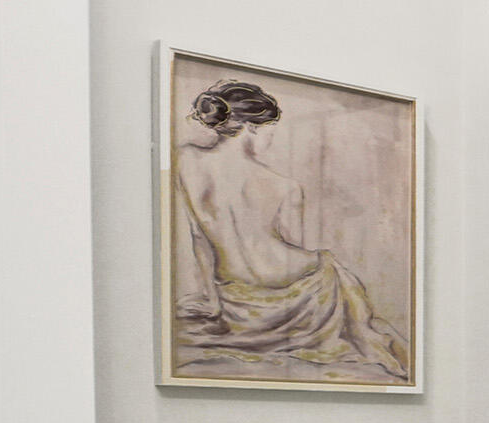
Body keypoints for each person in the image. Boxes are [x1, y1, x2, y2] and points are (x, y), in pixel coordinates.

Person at [170, 78, 412, 384]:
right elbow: (291, 247)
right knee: (331, 268)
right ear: (252, 127)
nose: (272, 139)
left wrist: (214, 299)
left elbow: (199, 236)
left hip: (232, 293)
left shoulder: (187, 160)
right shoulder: (284, 186)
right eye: (271, 130)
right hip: (286, 285)